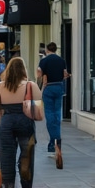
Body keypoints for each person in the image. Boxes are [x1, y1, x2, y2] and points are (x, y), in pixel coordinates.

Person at [0, 56, 43, 188]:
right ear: (23, 70)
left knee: (7, 159)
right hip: (25, 122)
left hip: (7, 123)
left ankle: (8, 185)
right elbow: (39, 113)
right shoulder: (31, 86)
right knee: (26, 157)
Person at [36, 41, 70, 169]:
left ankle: (54, 142)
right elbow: (65, 74)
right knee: (57, 114)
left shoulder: (44, 61)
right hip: (59, 87)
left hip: (49, 88)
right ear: (56, 49)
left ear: (46, 50)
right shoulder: (61, 60)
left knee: (49, 116)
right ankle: (56, 142)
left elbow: (39, 74)